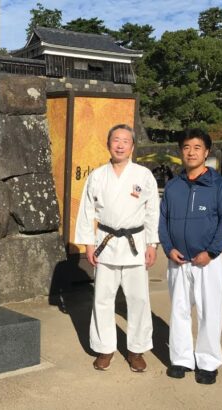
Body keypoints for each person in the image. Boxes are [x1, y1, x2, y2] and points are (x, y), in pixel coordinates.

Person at [74, 124, 160, 372]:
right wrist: (88, 243)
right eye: (116, 140)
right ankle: (104, 348)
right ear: (108, 144)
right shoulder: (98, 175)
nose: (120, 145)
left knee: (139, 299)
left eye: (125, 141)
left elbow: (152, 212)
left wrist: (152, 244)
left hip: (136, 244)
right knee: (102, 298)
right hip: (106, 243)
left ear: (132, 146)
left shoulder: (143, 175)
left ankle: (136, 349)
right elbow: (86, 211)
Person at [158, 128, 222, 385]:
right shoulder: (173, 186)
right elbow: (163, 220)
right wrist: (168, 248)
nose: (191, 152)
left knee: (209, 311)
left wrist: (212, 251)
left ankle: (208, 361)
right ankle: (180, 359)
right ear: (181, 151)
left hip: (207, 261)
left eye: (197, 147)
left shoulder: (218, 186)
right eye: (187, 147)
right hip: (177, 260)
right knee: (179, 310)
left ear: (206, 152)